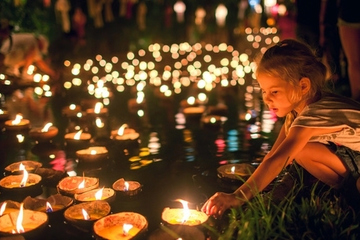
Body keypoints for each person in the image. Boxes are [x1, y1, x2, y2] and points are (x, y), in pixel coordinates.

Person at [202, 39, 360, 217]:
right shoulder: (299, 111)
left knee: (298, 152)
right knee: (299, 152)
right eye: (263, 91)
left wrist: (238, 196)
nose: (267, 99)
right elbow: (273, 155)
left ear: (303, 86)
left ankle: (348, 196)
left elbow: (278, 160)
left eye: (274, 91)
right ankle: (346, 190)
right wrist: (260, 183)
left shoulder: (314, 115)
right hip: (354, 155)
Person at [337, 0, 360, 101]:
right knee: (353, 63)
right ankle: (357, 99)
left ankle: (357, 100)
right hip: (349, 14)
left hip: (349, 13)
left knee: (354, 62)